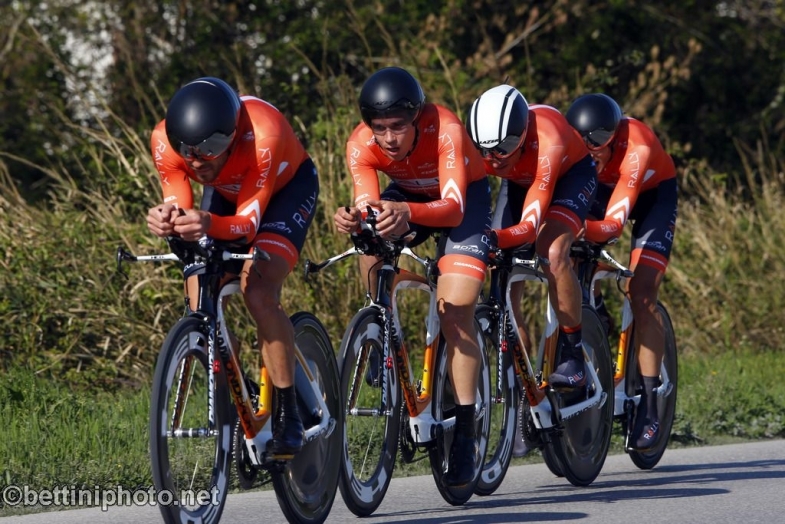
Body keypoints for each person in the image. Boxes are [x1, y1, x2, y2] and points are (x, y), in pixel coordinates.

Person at [333, 66, 492, 488]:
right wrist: (355, 218)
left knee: (455, 311)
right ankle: (382, 331)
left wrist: (406, 212)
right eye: (379, 128)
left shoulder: (446, 130)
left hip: (462, 202)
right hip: (410, 197)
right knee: (370, 237)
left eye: (399, 127)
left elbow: (454, 207)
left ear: (417, 118)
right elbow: (368, 203)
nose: (388, 138)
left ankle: (465, 428)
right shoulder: (360, 144)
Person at [146, 76, 319, 458]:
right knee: (200, 307)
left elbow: (246, 226)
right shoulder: (165, 140)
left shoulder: (263, 135)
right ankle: (246, 396)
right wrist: (167, 217)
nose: (196, 160)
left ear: (233, 133)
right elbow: (177, 198)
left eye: (211, 148)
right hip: (225, 196)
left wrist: (205, 223)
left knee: (257, 290)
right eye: (187, 151)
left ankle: (288, 411)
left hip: (282, 194)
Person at [467, 84, 598, 457]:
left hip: (568, 178)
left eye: (503, 148)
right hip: (520, 183)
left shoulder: (549, 139)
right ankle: (527, 397)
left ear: (522, 134)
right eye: (485, 150)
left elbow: (528, 226)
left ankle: (573, 354)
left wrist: (493, 236)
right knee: (501, 279)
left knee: (552, 252)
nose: (494, 157)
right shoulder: (495, 149)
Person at [565, 93, 678, 451]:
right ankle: (595, 310)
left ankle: (649, 403)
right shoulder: (582, 154)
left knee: (641, 292)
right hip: (601, 187)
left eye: (598, 142)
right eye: (582, 142)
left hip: (650, 196)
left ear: (613, 136)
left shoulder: (637, 145)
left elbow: (613, 225)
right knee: (571, 257)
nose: (590, 148)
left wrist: (582, 227)